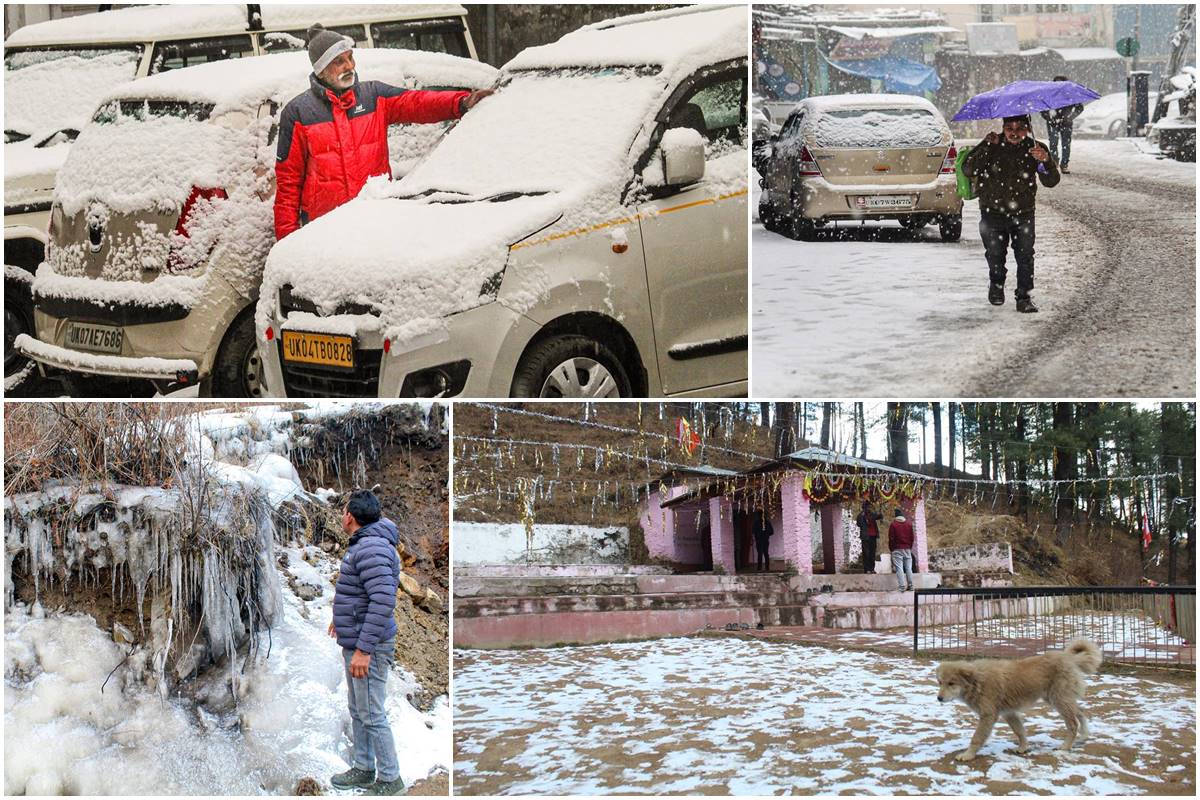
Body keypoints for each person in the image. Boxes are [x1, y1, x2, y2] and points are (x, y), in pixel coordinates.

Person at [274, 24, 493, 240]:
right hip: (325, 230)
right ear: (321, 69)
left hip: (375, 221)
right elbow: (288, 186)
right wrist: (287, 243)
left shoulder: (373, 96)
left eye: (350, 58)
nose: (349, 66)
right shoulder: (298, 113)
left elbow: (417, 103)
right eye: (339, 62)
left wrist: (461, 102)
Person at [327, 489, 405, 794]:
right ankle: (363, 767)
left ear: (350, 516)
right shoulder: (366, 545)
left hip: (367, 646)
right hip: (357, 638)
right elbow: (361, 592)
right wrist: (341, 617)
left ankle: (390, 779)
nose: (342, 514)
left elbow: (383, 601)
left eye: (344, 509)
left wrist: (363, 650)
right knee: (359, 709)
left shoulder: (371, 548)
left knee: (372, 713)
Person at [961, 114, 1061, 314]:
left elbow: (1051, 181)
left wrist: (1046, 160)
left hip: (1023, 212)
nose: (1014, 133)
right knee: (995, 254)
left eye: (1020, 128)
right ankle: (996, 285)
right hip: (992, 211)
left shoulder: (1035, 148)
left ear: (1028, 129)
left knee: (1025, 256)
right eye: (1009, 128)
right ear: (1003, 128)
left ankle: (1024, 296)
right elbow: (968, 169)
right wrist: (987, 146)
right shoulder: (992, 143)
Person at [1040, 76, 1082, 174]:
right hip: (1052, 123)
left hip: (1066, 123)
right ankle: (1054, 162)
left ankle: (1064, 164)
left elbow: (1079, 107)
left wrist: (1070, 117)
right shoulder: (1049, 94)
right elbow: (1042, 108)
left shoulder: (1070, 94)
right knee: (1053, 143)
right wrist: (1048, 116)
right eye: (1056, 83)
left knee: (1065, 144)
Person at [887, 507, 915, 592]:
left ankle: (902, 587)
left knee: (899, 568)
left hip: (897, 549)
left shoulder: (893, 525)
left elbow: (891, 538)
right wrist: (909, 547)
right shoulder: (909, 524)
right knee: (908, 568)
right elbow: (912, 537)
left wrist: (892, 549)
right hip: (907, 549)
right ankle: (910, 586)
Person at [855, 499, 883, 574]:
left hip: (873, 536)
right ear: (864, 508)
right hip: (865, 537)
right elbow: (858, 524)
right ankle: (867, 569)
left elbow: (879, 516)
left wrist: (880, 509)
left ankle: (872, 568)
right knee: (866, 553)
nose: (869, 508)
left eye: (870, 507)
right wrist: (863, 515)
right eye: (868, 507)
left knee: (872, 553)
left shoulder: (872, 514)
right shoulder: (861, 515)